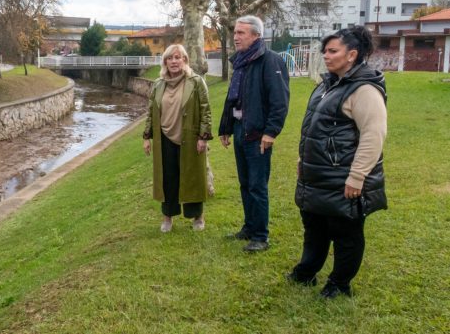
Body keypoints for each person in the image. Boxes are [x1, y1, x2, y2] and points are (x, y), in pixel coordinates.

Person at [288, 26, 387, 298]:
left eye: (333, 51)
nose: (326, 56)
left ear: (352, 54)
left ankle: (339, 284)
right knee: (315, 227)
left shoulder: (364, 90)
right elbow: (314, 129)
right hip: (317, 175)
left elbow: (373, 135)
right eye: (325, 51)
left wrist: (357, 177)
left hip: (344, 177)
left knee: (346, 233)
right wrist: (303, 158)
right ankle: (306, 271)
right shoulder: (327, 85)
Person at [218, 15, 289, 252]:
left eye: (241, 33)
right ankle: (249, 227)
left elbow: (280, 101)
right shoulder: (241, 62)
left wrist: (271, 133)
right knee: (245, 183)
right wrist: (226, 127)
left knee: (258, 185)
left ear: (256, 35)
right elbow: (233, 98)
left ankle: (260, 236)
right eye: (235, 33)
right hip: (240, 128)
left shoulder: (270, 61)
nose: (236, 37)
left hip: (258, 133)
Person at [143, 44, 213, 233]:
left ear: (184, 60)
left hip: (189, 138)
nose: (174, 61)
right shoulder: (158, 84)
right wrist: (146, 137)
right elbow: (151, 111)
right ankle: (167, 218)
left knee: (192, 177)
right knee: (168, 179)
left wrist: (203, 137)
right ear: (165, 61)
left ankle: (198, 217)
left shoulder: (196, 82)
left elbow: (206, 109)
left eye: (177, 57)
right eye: (170, 58)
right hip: (163, 139)